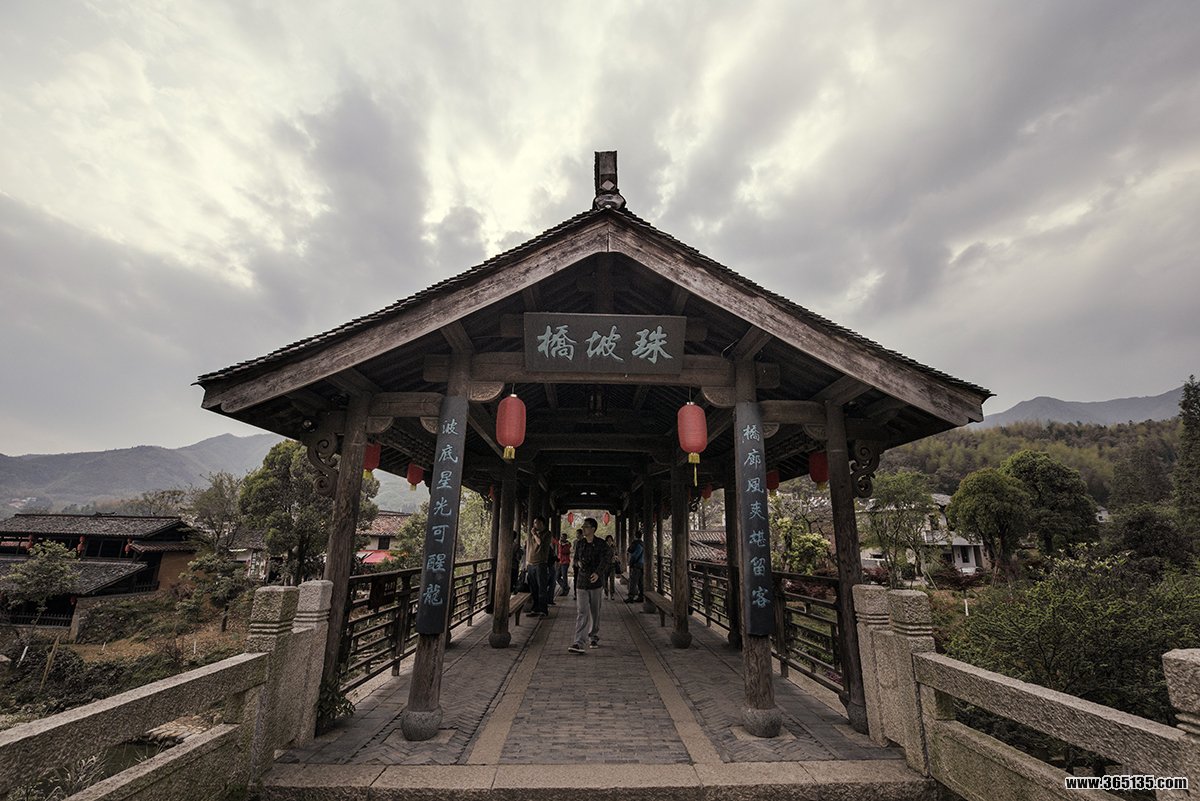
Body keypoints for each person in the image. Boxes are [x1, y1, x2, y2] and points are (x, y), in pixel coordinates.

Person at [569, 518, 611, 654]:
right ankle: (578, 642)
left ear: (593, 529)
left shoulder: (601, 544)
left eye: (586, 526)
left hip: (595, 582)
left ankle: (593, 635)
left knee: (595, 611)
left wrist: (598, 573)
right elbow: (575, 559)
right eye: (583, 526)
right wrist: (578, 563)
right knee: (582, 612)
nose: (583, 528)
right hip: (581, 581)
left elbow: (606, 559)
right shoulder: (580, 543)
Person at [527, 515, 553, 617]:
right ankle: (535, 609)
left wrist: (534, 534)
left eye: (536, 522)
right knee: (533, 588)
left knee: (542, 587)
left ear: (542, 523)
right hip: (531, 563)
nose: (535, 525)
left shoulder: (547, 533)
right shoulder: (534, 534)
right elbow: (530, 547)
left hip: (540, 564)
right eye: (534, 523)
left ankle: (543, 610)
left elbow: (540, 543)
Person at [625, 529, 645, 603]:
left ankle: (631, 597)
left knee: (633, 581)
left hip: (637, 565)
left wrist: (631, 563)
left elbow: (635, 555)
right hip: (643, 565)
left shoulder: (637, 544)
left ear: (635, 536)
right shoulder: (643, 544)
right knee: (640, 582)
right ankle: (641, 596)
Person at [556, 531, 572, 596]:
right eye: (561, 537)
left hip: (565, 562)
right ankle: (566, 587)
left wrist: (560, 545)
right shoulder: (561, 543)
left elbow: (562, 551)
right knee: (557, 577)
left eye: (563, 537)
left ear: (565, 538)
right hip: (561, 562)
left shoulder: (567, 544)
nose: (561, 538)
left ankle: (565, 590)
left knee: (564, 577)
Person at [604, 534, 619, 600]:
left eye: (610, 540)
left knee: (612, 580)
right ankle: (606, 594)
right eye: (608, 540)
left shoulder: (614, 547)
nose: (609, 541)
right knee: (605, 580)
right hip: (605, 565)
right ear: (606, 540)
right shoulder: (604, 547)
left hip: (612, 565)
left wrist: (615, 557)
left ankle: (612, 594)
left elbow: (616, 554)